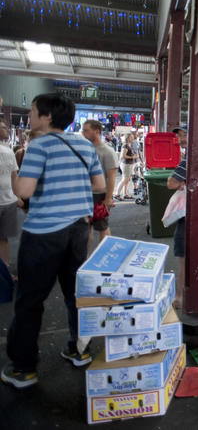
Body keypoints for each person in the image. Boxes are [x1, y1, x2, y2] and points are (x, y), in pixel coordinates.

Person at [2, 93, 105, 389]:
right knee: (75, 294)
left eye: (34, 111)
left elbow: (24, 191)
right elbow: (99, 185)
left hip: (45, 232)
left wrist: (15, 175)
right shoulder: (85, 144)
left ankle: (23, 369)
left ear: (47, 117)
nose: (31, 116)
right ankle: (79, 350)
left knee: (30, 299)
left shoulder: (39, 145)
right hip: (78, 230)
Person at [81, 120, 117, 252]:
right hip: (86, 195)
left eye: (86, 130)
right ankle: (83, 260)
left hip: (100, 196)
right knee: (85, 229)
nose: (83, 133)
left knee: (102, 227)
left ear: (97, 131)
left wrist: (108, 198)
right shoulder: (85, 149)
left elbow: (111, 177)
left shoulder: (107, 151)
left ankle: (104, 257)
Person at [166, 125, 188, 309]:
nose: (180, 139)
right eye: (179, 136)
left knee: (182, 255)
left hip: (189, 215)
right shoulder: (193, 157)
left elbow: (172, 183)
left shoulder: (187, 160)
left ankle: (180, 296)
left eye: (183, 135)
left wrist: (179, 181)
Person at [0, 117, 20, 270]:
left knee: (4, 238)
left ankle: (4, 268)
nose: (7, 129)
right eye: (3, 127)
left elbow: (14, 176)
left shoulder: (9, 151)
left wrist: (17, 195)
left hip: (8, 201)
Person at [113, 133, 137, 200]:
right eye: (131, 137)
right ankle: (117, 194)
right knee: (125, 179)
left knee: (127, 179)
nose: (133, 138)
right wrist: (132, 157)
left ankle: (125, 194)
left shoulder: (128, 145)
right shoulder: (125, 145)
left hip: (128, 164)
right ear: (128, 138)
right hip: (126, 164)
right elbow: (123, 156)